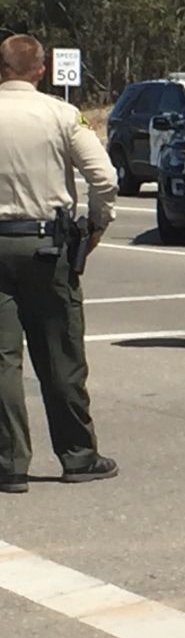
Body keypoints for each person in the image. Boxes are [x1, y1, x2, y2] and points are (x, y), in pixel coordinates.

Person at [0, 35, 119, 492]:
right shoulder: (62, 114)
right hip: (46, 246)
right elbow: (103, 177)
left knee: (3, 360)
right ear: (41, 69)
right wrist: (96, 224)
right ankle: (77, 455)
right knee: (61, 356)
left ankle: (10, 463)